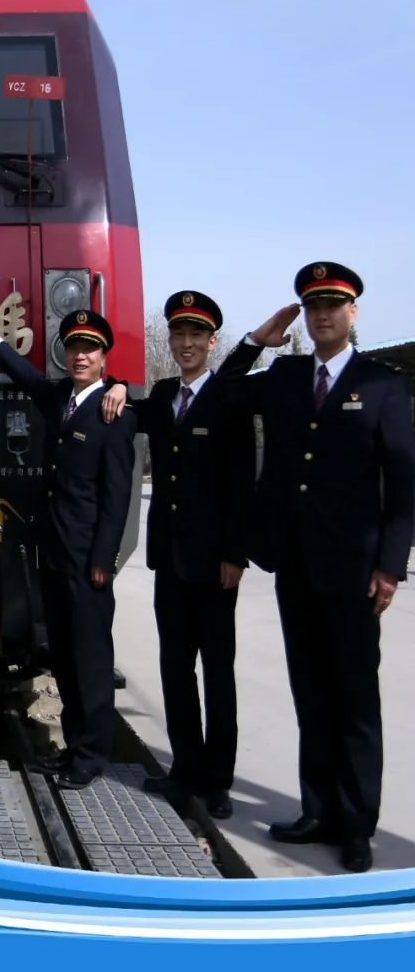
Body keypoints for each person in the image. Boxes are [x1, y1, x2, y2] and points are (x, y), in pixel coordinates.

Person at [236, 262, 415, 872]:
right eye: (312, 307)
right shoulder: (285, 376)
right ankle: (317, 811)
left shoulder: (383, 385)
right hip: (296, 565)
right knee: (311, 695)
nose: (322, 317)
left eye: (333, 306)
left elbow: (402, 486)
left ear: (353, 312)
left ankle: (356, 825)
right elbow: (224, 391)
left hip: (356, 571)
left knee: (355, 702)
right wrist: (257, 340)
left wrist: (390, 566)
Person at [100, 294, 301, 818]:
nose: (185, 344)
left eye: (196, 336)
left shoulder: (229, 396)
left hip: (215, 564)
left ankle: (217, 781)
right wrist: (116, 384)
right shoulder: (166, 393)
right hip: (170, 559)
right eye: (178, 335)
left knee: (217, 672)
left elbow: (241, 483)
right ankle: (184, 769)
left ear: (212, 343)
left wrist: (235, 554)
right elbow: (133, 414)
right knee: (175, 668)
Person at [0, 307, 136, 788]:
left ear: (104, 357)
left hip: (88, 561)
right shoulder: (62, 400)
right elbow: (28, 380)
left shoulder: (115, 413)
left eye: (89, 349)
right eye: (73, 348)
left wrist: (104, 559)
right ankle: (73, 747)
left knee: (91, 660)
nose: (80, 356)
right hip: (53, 554)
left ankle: (92, 756)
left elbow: (117, 496)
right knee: (65, 658)